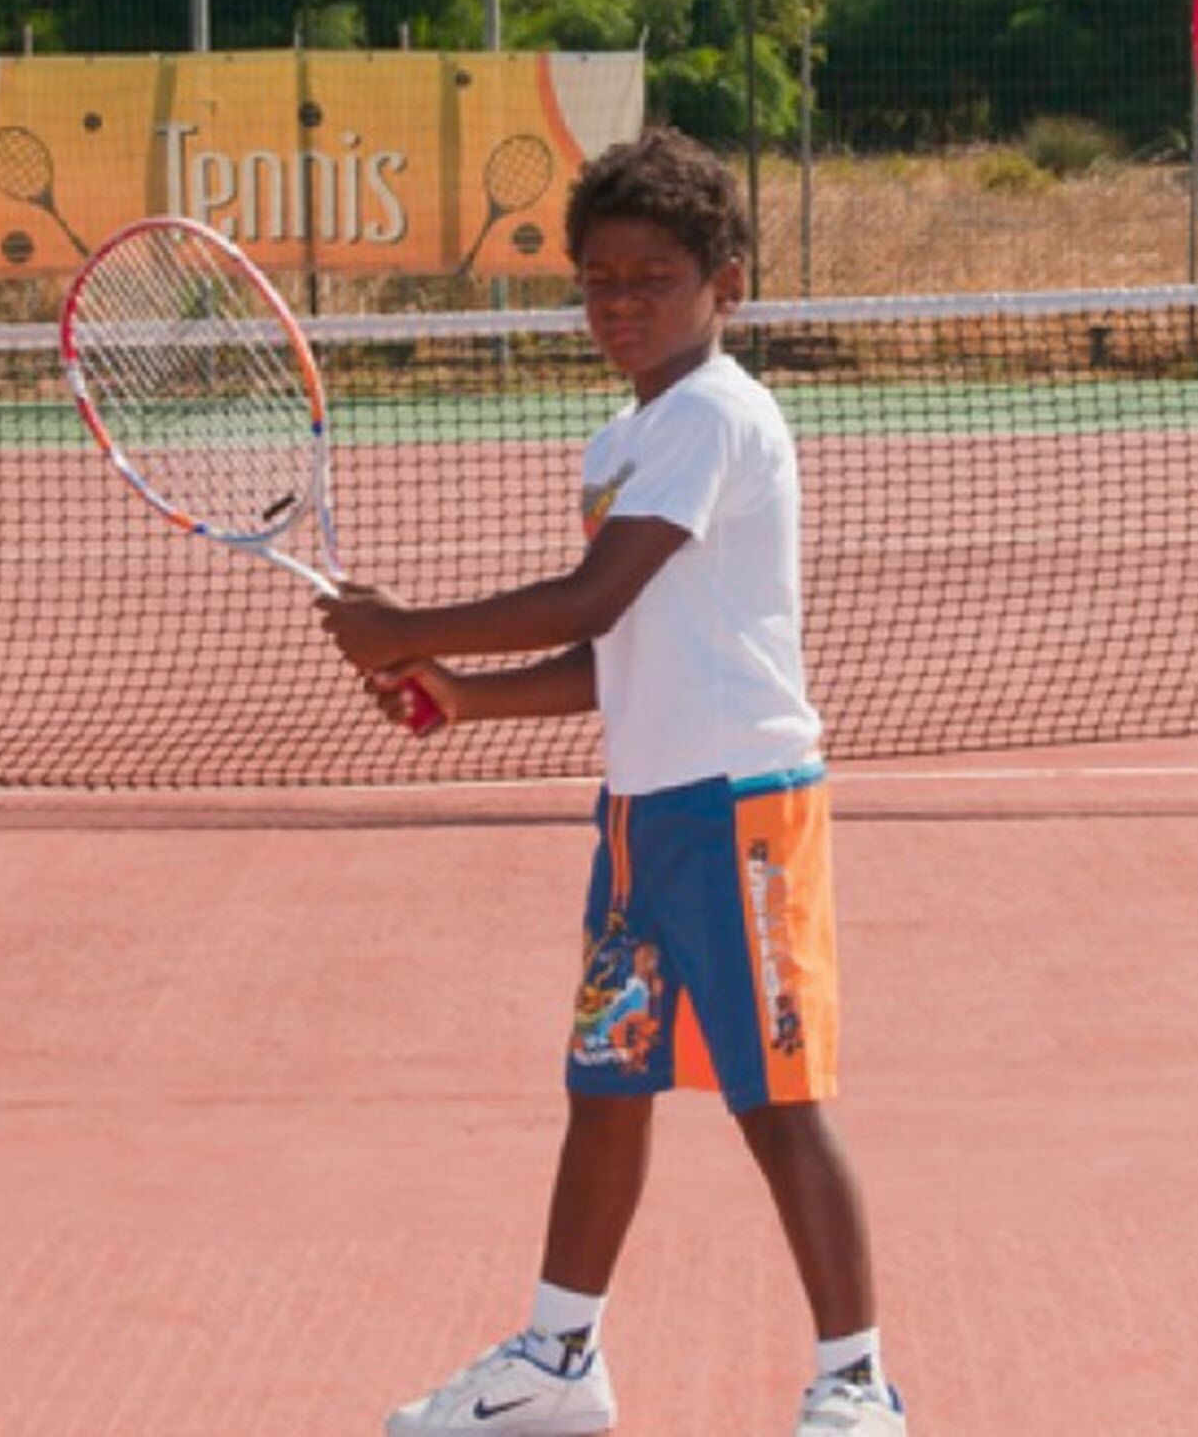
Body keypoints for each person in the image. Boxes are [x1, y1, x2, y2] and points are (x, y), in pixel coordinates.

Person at [319, 127, 905, 1437]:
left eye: (651, 276)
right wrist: (463, 695)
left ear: (726, 285)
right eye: (596, 279)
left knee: (779, 1103)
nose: (620, 303)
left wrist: (409, 626)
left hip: (744, 809)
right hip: (645, 818)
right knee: (607, 1085)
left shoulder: (713, 414)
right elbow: (609, 651)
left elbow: (594, 591)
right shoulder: (624, 437)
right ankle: (558, 1363)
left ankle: (856, 1387)